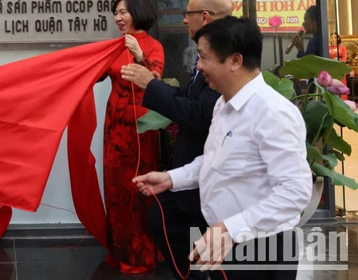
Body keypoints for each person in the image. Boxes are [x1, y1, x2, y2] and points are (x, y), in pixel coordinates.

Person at [134, 16, 312, 280]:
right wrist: (172, 178)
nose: (199, 66)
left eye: (204, 58)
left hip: (258, 247)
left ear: (235, 61)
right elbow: (215, 159)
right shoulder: (224, 104)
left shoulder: (272, 112)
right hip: (224, 239)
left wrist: (231, 227)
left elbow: (294, 192)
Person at [121, 0, 232, 279]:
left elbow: (200, 114)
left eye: (188, 14)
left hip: (208, 171)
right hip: (192, 167)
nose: (184, 21)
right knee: (164, 221)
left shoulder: (223, 59)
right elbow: (188, 97)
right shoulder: (207, 53)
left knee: (173, 224)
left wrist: (151, 84)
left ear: (205, 17)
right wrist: (157, 86)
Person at [102, 0, 165, 274]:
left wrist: (140, 57)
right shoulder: (113, 46)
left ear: (138, 12)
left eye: (123, 12)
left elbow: (156, 82)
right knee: (115, 186)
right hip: (115, 126)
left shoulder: (153, 46)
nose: (118, 18)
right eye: (115, 13)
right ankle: (121, 249)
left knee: (138, 187)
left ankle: (141, 250)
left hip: (141, 127)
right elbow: (93, 71)